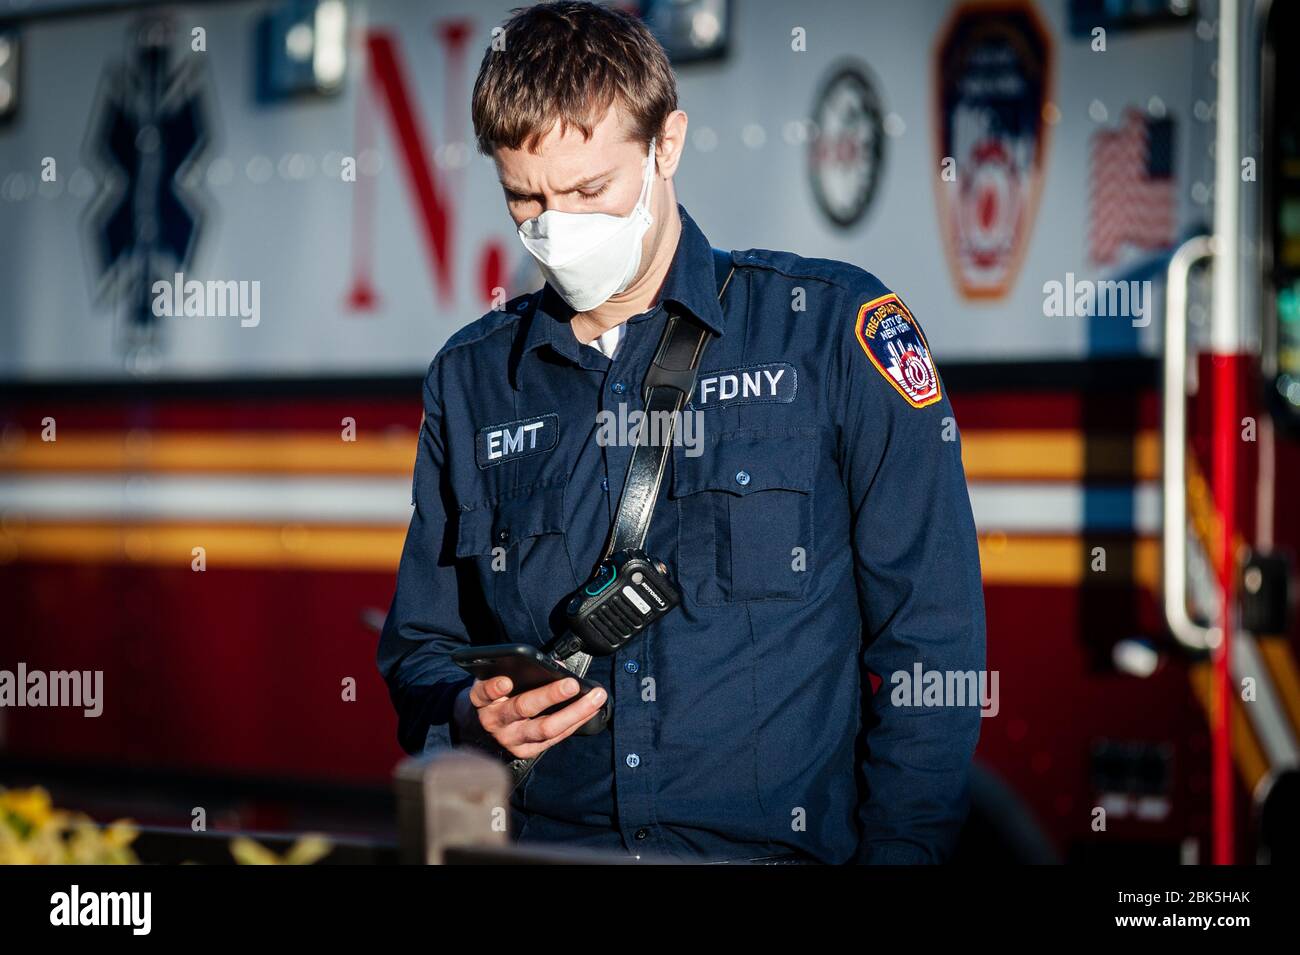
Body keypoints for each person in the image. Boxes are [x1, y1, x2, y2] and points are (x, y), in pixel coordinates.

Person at [377, 0, 986, 865]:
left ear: (668, 145)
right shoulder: (473, 379)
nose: (557, 228)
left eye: (590, 190)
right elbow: (419, 647)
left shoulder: (831, 332)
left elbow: (935, 637)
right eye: (526, 199)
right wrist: (467, 713)